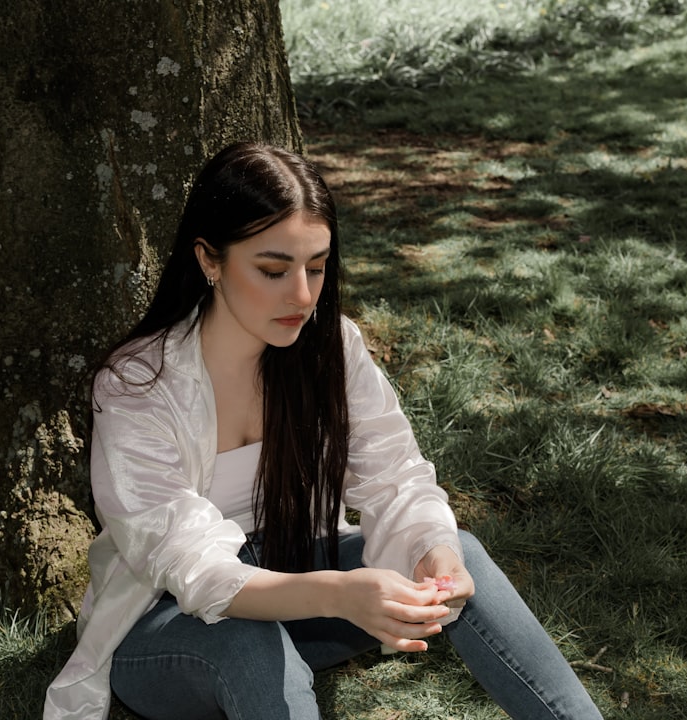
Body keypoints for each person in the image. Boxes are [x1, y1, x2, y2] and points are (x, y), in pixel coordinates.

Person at [44, 142, 604, 720]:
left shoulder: (332, 347)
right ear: (209, 259)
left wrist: (436, 560)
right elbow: (193, 567)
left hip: (304, 581)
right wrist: (339, 593)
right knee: (245, 636)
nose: (303, 295)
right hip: (169, 628)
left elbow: (396, 479)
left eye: (316, 266)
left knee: (458, 551)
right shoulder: (139, 383)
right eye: (273, 269)